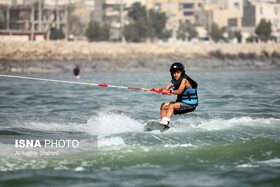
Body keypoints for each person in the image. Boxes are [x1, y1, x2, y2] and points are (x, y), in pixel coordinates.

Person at [153, 62, 198, 128]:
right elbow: (166, 89)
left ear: (182, 72)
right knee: (163, 105)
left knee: (172, 105)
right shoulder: (172, 81)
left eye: (177, 72)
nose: (175, 74)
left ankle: (166, 121)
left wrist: (170, 91)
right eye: (174, 73)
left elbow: (179, 91)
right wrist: (158, 89)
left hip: (190, 104)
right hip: (181, 103)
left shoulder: (184, 80)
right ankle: (163, 125)